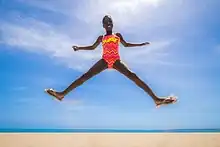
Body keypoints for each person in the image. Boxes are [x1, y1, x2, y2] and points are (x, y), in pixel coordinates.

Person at [45, 15, 177, 108]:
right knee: (84, 77)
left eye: (110, 21)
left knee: (134, 76)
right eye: (106, 22)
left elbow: (126, 45)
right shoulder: (101, 37)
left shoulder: (117, 36)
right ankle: (62, 94)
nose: (108, 23)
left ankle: (156, 99)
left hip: (116, 61)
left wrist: (140, 44)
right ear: (103, 25)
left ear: (112, 24)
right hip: (104, 61)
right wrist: (79, 48)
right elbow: (92, 47)